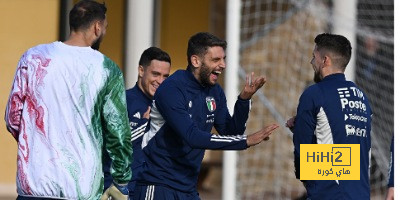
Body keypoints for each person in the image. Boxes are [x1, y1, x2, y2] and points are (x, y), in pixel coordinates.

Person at [4, 1, 132, 199]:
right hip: (81, 188)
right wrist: (121, 182)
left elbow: (12, 118)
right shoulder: (107, 69)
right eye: (105, 27)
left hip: (33, 185)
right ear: (97, 27)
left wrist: (36, 142)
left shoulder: (32, 58)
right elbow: (118, 133)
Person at [133, 32, 279, 200]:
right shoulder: (172, 89)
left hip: (188, 187)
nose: (223, 65)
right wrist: (245, 141)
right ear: (196, 61)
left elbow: (231, 133)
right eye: (216, 60)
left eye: (223, 59)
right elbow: (192, 137)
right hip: (158, 184)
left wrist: (244, 100)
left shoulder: (215, 91)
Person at [286, 33, 372, 199]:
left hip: (330, 193)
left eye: (314, 57)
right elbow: (349, 147)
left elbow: (302, 149)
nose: (312, 63)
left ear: (325, 60)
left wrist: (305, 178)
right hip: (360, 193)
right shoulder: (361, 96)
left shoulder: (315, 94)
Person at [103, 47, 171, 198]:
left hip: (153, 189)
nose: (160, 81)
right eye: (155, 74)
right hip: (121, 190)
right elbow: (111, 146)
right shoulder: (121, 102)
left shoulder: (168, 109)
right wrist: (146, 126)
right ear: (141, 71)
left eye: (165, 76)